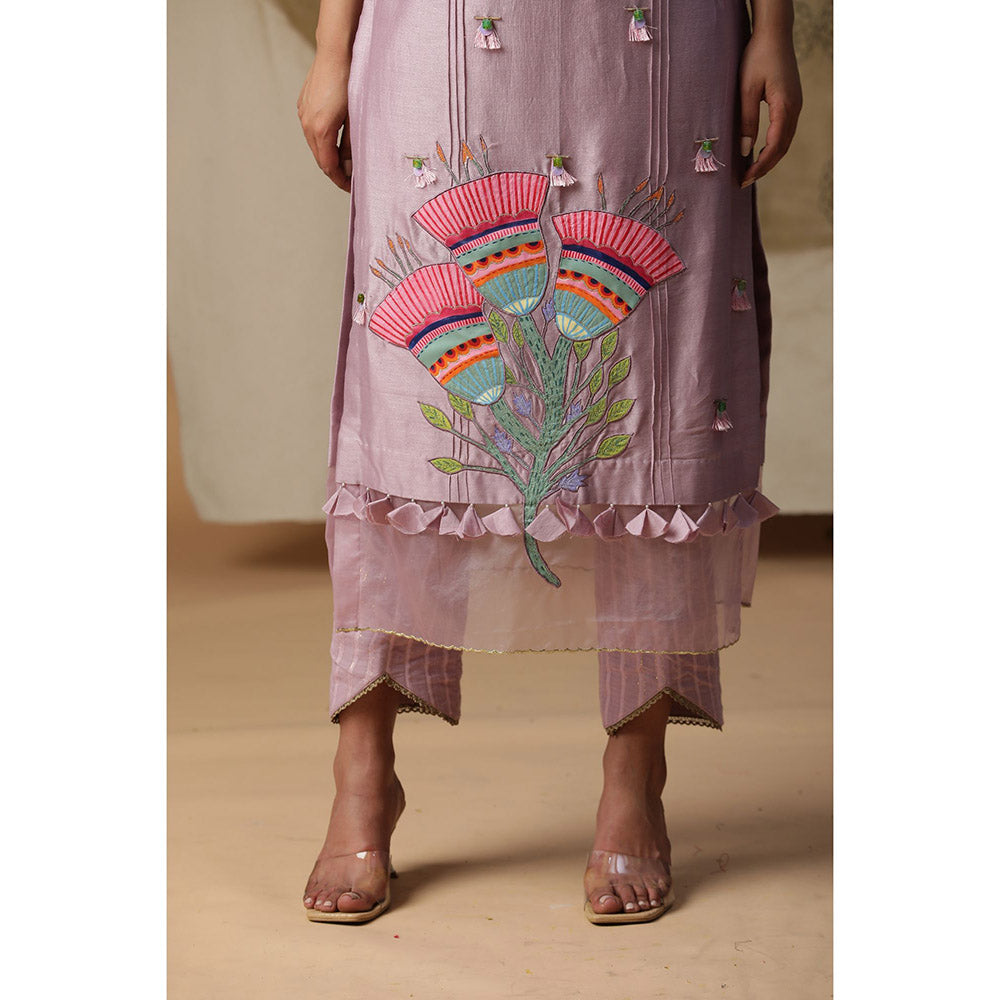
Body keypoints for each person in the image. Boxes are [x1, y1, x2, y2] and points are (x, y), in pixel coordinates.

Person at [297, 0, 801, 924]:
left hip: (660, 44)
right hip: (437, 29)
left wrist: (772, 28)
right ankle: (362, 775)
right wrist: (334, 45)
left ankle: (636, 776)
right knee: (407, 391)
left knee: (657, 403)